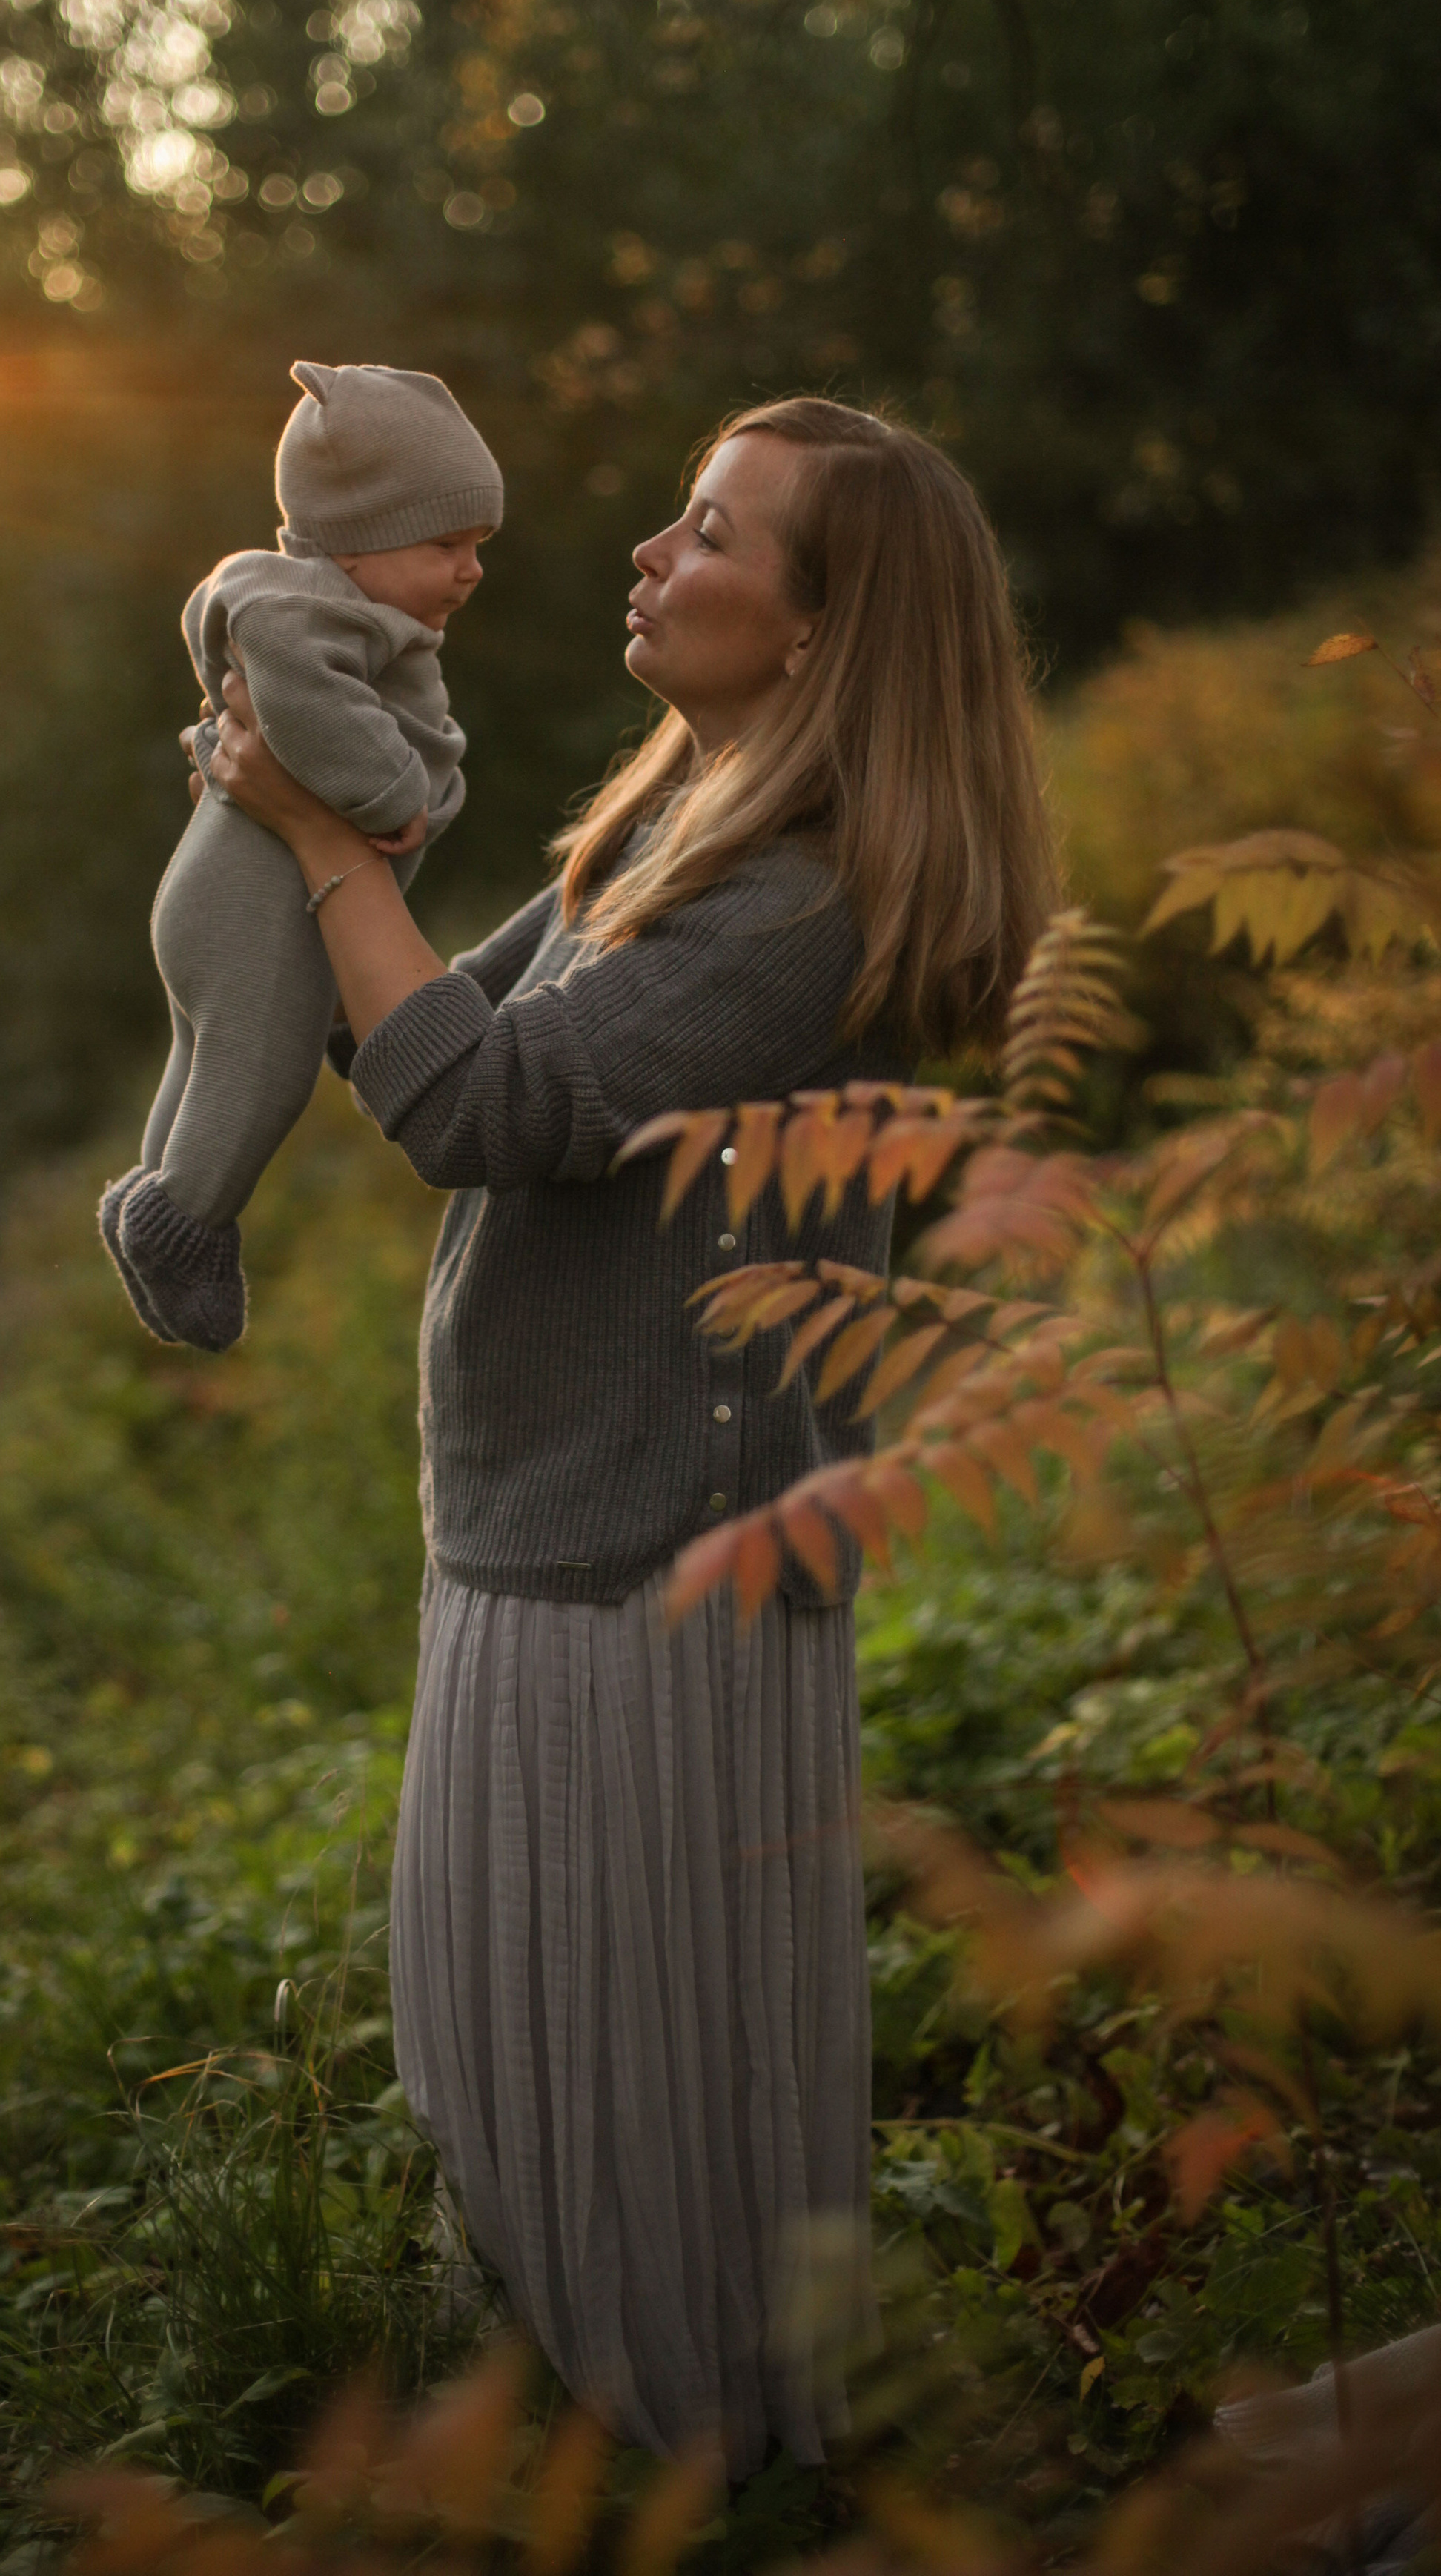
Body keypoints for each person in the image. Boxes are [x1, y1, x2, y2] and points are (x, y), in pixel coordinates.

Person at [191, 396, 1058, 2476]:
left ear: (824, 637)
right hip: (563, 1531)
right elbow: (410, 1039)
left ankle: (698, 2469)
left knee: (591, 2053)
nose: (653, 560)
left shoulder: (798, 906)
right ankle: (698, 2449)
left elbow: (475, 1111)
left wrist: (324, 847)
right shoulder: (683, 828)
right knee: (546, 2040)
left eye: (713, 537)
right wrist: (293, 838)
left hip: (649, 1560)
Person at [100, 359, 501, 1350]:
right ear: (356, 542)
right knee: (258, 1072)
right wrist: (393, 791)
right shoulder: (307, 608)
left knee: (204, 1059)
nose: (471, 570)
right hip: (255, 905)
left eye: (480, 545)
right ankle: (187, 1226)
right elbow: (305, 700)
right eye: (446, 543)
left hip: (223, 897)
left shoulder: (320, 607)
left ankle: (150, 1197)